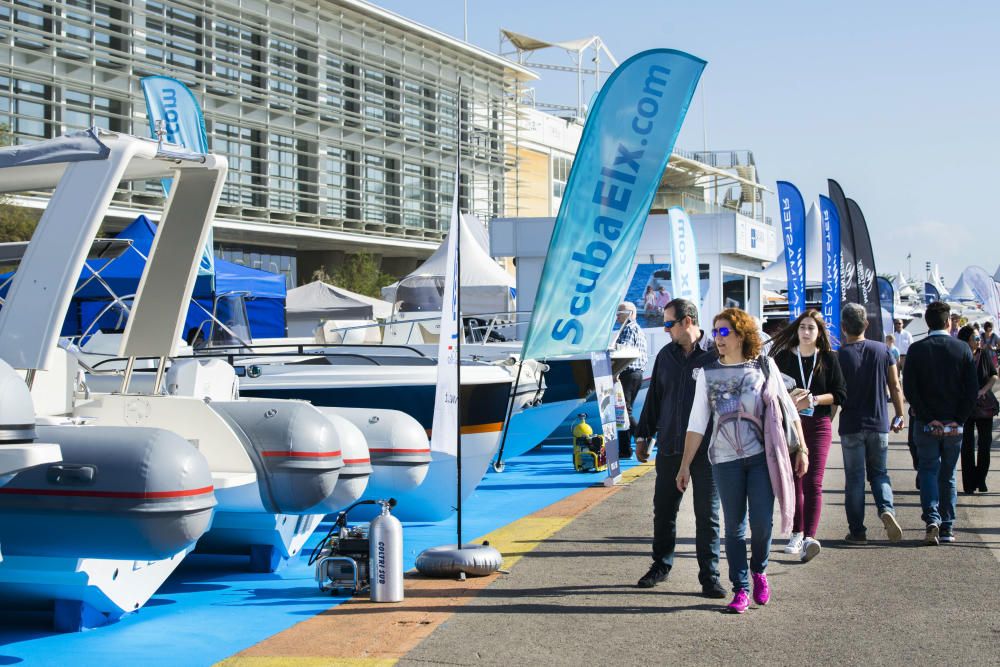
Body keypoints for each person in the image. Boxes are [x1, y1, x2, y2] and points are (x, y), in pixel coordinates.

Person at [677, 308, 808, 614]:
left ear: (740, 335)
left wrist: (801, 447)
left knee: (762, 523)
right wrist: (685, 465)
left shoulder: (764, 366)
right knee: (734, 527)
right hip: (724, 460)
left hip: (762, 458)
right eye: (716, 332)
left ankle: (759, 570)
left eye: (724, 332)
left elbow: (787, 410)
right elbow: (697, 423)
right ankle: (740, 588)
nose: (718, 338)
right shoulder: (706, 374)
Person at [634, 298, 724, 598]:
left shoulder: (715, 355)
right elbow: (655, 398)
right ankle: (661, 565)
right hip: (671, 445)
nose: (665, 329)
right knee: (664, 510)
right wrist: (643, 435)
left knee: (707, 515)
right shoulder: (665, 356)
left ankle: (710, 576)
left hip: (707, 450)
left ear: (687, 321)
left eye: (669, 323)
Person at [769, 310, 847, 562]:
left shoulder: (828, 358)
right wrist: (790, 401)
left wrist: (812, 399)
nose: (805, 332)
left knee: (813, 480)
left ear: (819, 332)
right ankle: (795, 532)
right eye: (802, 327)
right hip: (790, 425)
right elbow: (771, 389)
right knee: (793, 480)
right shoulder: (781, 358)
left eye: (811, 328)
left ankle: (810, 537)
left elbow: (840, 393)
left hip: (819, 423)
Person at [903, 302, 978, 544]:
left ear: (927, 323)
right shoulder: (963, 350)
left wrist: (926, 416)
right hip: (954, 424)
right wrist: (959, 419)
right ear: (948, 323)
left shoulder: (916, 350)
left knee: (927, 470)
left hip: (926, 423)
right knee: (948, 474)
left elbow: (910, 389)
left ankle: (932, 519)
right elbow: (971, 390)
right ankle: (947, 527)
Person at [837, 302, 905, 545]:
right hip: (879, 422)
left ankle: (857, 532)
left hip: (851, 425)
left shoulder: (840, 355)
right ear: (866, 324)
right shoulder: (883, 350)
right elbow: (895, 385)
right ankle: (886, 509)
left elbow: (836, 395)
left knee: (854, 478)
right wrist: (899, 414)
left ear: (843, 327)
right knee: (879, 473)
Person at [956, 325, 996, 494]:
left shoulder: (984, 354)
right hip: (964, 405)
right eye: (976, 338)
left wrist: (983, 390)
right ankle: (969, 483)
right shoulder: (958, 356)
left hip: (983, 404)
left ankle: (981, 479)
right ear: (967, 341)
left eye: (979, 338)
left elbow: (994, 375)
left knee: (985, 444)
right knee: (966, 445)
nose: (979, 341)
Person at [613, 302, 648, 459]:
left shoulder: (628, 329)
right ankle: (625, 449)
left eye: (620, 312)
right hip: (637, 374)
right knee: (625, 411)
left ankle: (642, 437)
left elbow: (623, 351)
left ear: (629, 313)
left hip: (628, 373)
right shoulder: (637, 329)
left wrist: (615, 369)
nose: (617, 315)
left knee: (624, 412)